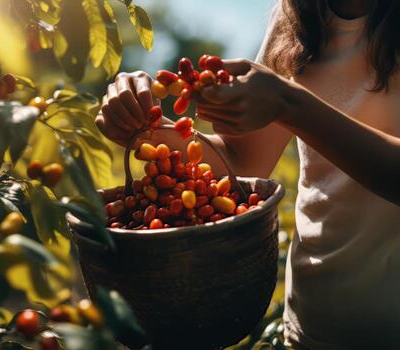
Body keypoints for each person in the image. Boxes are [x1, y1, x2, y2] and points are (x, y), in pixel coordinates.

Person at [95, 0, 400, 348]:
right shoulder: (299, 16)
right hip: (309, 330)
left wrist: (291, 104)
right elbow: (241, 161)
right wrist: (145, 128)